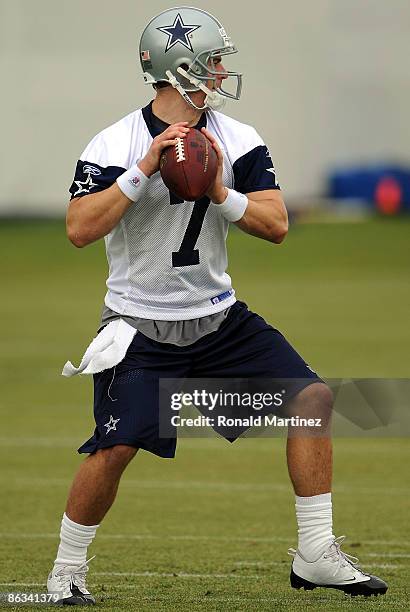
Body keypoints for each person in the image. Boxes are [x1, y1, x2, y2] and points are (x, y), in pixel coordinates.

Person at [47, 6, 387, 605]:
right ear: (181, 70)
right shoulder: (116, 141)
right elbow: (79, 228)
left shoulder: (239, 139)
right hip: (138, 322)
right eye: (214, 61)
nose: (224, 71)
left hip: (216, 317)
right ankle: (65, 573)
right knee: (116, 445)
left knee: (312, 400)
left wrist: (219, 190)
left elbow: (276, 223)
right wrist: (144, 169)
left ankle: (315, 554)